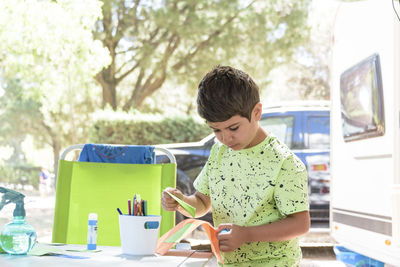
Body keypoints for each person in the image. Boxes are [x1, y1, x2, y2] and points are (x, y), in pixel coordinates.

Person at [161, 65, 310, 266]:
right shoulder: (219, 152)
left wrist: (247, 234)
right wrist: (181, 202)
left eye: (233, 128)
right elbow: (202, 203)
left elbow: (300, 224)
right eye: (216, 130)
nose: (225, 138)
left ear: (256, 112)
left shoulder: (284, 162)